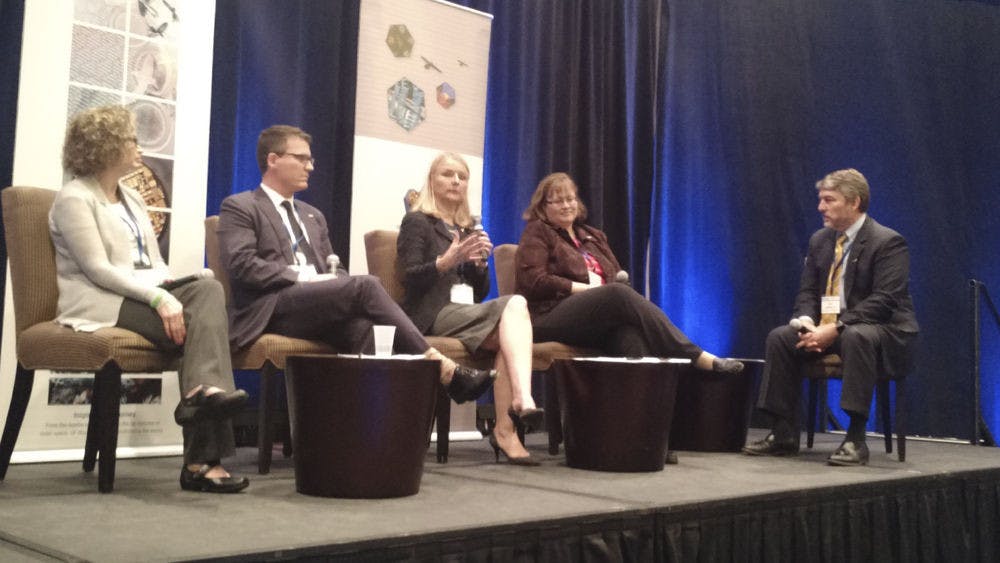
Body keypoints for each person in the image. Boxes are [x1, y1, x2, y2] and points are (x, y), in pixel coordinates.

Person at [217, 125, 496, 405]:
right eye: (301, 159)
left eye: (310, 160)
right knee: (365, 285)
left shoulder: (313, 216)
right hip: (269, 307)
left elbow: (333, 268)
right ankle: (443, 367)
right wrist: (303, 276)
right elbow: (243, 266)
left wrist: (332, 279)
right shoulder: (241, 206)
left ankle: (357, 433)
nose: (310, 166)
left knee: (366, 330)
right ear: (273, 160)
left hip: (313, 308)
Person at [50, 105, 249, 493]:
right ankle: (201, 458)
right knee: (203, 326)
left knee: (208, 288)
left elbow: (153, 262)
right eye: (131, 139)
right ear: (106, 146)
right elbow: (97, 270)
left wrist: (178, 282)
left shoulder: (132, 198)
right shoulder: (74, 198)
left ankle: (201, 394)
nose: (138, 147)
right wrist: (161, 298)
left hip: (140, 293)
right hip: (98, 300)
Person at [742, 169, 918, 466]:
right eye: (820, 200)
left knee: (856, 335)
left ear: (854, 202)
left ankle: (855, 438)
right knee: (781, 337)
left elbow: (884, 301)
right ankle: (783, 432)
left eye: (828, 200)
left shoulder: (888, 241)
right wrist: (805, 321)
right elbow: (808, 292)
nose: (820, 207)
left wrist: (835, 327)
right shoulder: (820, 241)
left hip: (884, 331)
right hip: (833, 329)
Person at [515, 172, 745, 373]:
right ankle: (696, 356)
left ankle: (639, 417)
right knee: (616, 294)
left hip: (591, 319)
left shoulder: (593, 236)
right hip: (548, 315)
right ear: (543, 207)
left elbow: (616, 275)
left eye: (570, 199)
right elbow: (533, 280)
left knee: (631, 337)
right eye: (558, 201)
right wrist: (587, 290)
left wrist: (608, 290)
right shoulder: (538, 231)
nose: (566, 205)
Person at [398, 153, 543, 465]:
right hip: (431, 313)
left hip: (463, 312)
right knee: (515, 304)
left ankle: (505, 429)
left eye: (461, 177)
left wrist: (478, 267)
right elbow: (409, 278)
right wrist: (444, 262)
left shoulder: (467, 228)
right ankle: (523, 399)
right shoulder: (418, 221)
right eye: (447, 174)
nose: (455, 181)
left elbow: (481, 292)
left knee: (509, 340)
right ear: (432, 181)